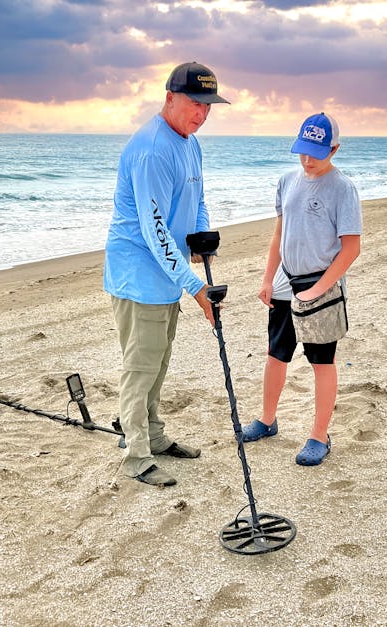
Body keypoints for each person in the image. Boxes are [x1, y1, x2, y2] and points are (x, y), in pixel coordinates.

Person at [104, 62, 230, 486]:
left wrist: (201, 238)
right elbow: (155, 232)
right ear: (170, 97)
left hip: (167, 273)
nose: (202, 113)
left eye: (208, 105)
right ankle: (136, 454)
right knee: (140, 366)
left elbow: (196, 198)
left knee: (158, 360)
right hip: (138, 273)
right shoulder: (152, 149)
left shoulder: (190, 143)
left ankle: (153, 436)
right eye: (195, 103)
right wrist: (195, 286)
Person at [242, 112, 362, 466]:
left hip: (320, 284)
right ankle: (267, 420)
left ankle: (319, 436)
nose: (307, 160)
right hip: (285, 280)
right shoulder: (287, 180)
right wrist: (268, 278)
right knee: (276, 353)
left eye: (316, 153)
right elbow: (280, 234)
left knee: (321, 361)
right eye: (302, 151)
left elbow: (351, 248)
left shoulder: (343, 188)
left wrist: (318, 290)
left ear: (334, 149)